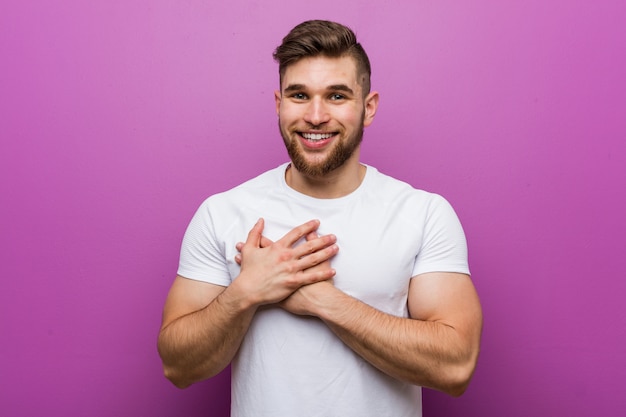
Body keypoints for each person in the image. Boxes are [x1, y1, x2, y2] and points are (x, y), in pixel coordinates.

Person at [158, 20, 482, 417]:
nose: (315, 115)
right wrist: (246, 293)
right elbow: (177, 366)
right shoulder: (223, 212)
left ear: (368, 107)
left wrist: (322, 300)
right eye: (299, 95)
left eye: (336, 96)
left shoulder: (423, 213)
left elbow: (456, 366)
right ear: (279, 104)